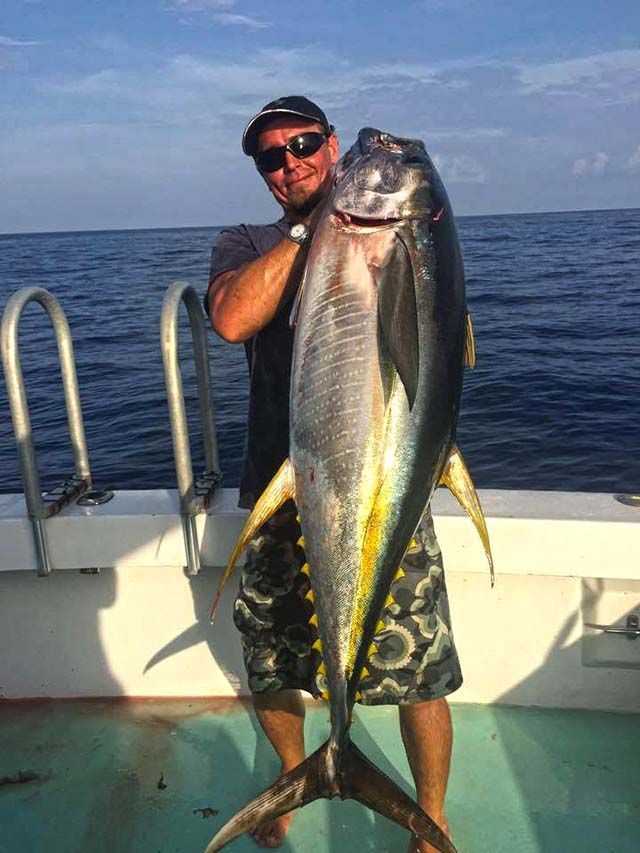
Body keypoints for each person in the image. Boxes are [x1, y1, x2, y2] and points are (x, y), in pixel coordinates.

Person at [205, 96, 462, 853]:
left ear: (335, 146)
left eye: (305, 144)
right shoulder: (248, 239)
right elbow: (229, 317)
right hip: (281, 488)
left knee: (416, 663)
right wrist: (310, 228)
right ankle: (298, 771)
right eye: (271, 157)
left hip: (383, 484)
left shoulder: (405, 239)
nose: (290, 163)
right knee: (276, 659)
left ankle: (432, 811)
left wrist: (355, 223)